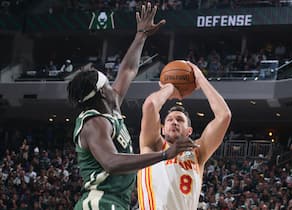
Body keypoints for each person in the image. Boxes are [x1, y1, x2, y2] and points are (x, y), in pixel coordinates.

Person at [67, 3, 198, 210]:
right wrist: (164, 154)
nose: (114, 85)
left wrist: (141, 35)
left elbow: (128, 69)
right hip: (100, 202)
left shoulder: (111, 107)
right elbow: (111, 162)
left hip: (115, 202)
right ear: (102, 92)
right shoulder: (95, 122)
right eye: (108, 84)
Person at [137, 62, 232, 210]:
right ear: (162, 129)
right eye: (169, 120)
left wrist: (200, 79)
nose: (174, 122)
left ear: (189, 131)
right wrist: (171, 88)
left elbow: (224, 116)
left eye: (180, 120)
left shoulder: (198, 152)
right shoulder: (153, 146)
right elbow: (150, 105)